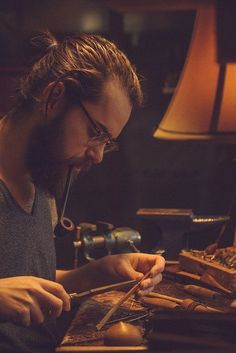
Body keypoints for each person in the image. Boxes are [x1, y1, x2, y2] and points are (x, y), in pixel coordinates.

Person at [0, 31, 165, 353]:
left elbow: (24, 286)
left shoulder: (43, 173)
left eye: (107, 142)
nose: (98, 155)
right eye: (95, 133)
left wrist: (95, 274)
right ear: (55, 97)